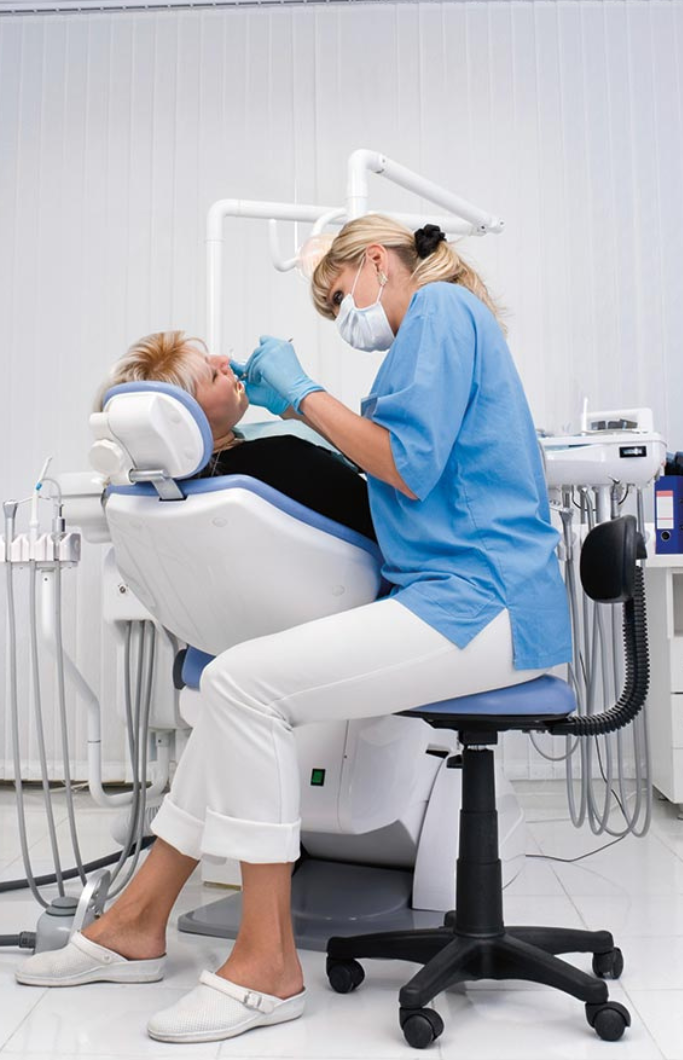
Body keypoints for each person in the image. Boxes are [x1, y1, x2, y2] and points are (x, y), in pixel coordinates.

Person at [15, 218, 571, 1046]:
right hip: (446, 596)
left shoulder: (443, 312)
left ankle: (267, 968)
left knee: (241, 685)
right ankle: (133, 927)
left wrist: (302, 393)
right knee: (239, 685)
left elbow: (404, 464)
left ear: (376, 262)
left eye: (337, 293)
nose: (341, 311)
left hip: (482, 601)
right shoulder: (425, 331)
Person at [93, 330, 376, 540]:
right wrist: (301, 396)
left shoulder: (152, 493)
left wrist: (290, 408)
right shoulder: (284, 459)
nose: (225, 361)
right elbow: (386, 501)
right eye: (213, 375)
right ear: (183, 418)